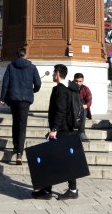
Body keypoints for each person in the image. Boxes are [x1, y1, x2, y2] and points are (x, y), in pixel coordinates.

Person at [32, 64, 79, 201]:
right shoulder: (70, 88)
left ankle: (73, 189)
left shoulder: (60, 90)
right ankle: (47, 189)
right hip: (65, 128)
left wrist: (54, 130)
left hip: (61, 130)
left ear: (58, 73)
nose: (53, 75)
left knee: (64, 160)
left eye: (54, 72)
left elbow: (60, 111)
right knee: (50, 159)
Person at [0, 48, 41, 166]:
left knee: (15, 122)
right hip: (25, 99)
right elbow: (38, 83)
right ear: (26, 55)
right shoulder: (32, 67)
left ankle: (15, 145)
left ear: (17, 55)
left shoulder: (10, 66)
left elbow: (5, 83)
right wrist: (33, 90)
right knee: (22, 126)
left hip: (13, 98)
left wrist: (3, 98)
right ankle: (19, 154)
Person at [73, 73, 92, 142]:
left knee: (83, 110)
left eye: (80, 81)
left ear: (83, 81)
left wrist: (85, 106)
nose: (78, 83)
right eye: (76, 81)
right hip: (72, 109)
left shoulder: (85, 89)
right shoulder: (70, 88)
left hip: (81, 109)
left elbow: (89, 100)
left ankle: (81, 132)